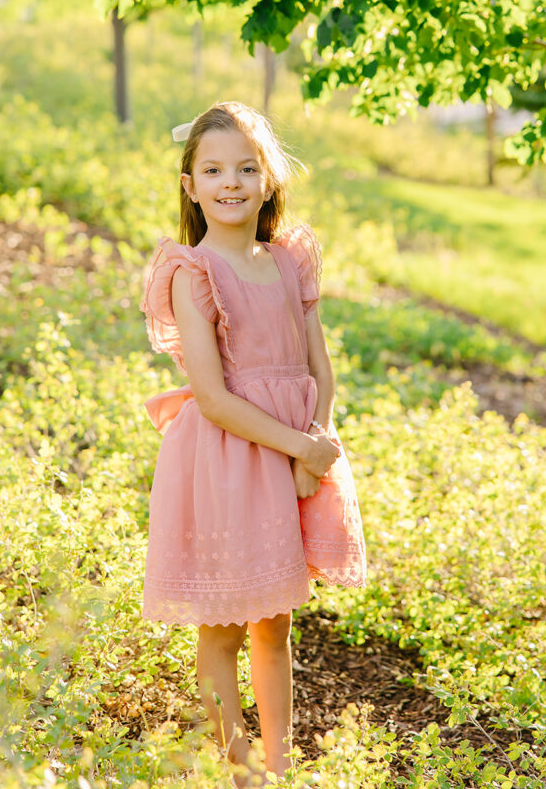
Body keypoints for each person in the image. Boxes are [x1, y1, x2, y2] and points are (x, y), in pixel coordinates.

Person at [138, 101, 367, 787]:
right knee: (225, 623)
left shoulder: (287, 260)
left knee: (275, 623)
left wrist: (315, 441)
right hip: (232, 458)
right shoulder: (192, 273)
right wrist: (295, 447)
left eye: (245, 167)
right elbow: (212, 398)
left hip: (297, 449)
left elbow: (316, 364)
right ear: (191, 186)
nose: (229, 182)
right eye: (212, 170)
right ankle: (239, 772)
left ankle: (280, 765)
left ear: (268, 179)